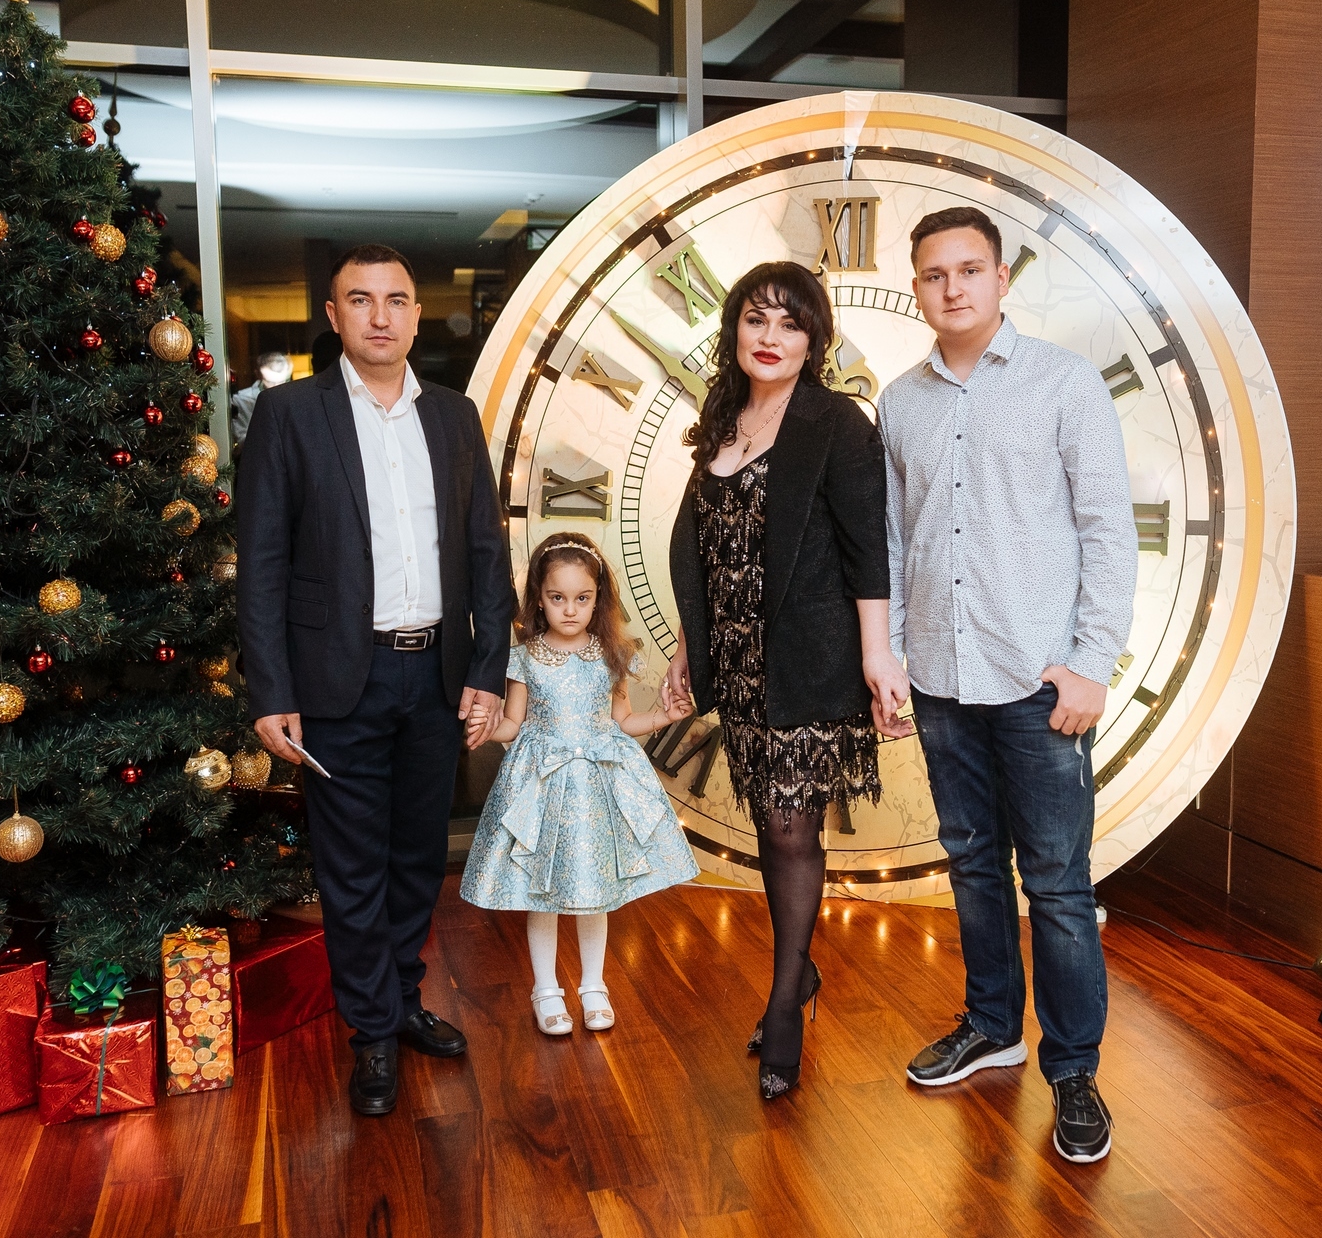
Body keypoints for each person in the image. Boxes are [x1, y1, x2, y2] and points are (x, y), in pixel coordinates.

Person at [880, 206, 1136, 1164]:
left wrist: (1092, 663)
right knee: (973, 866)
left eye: (969, 269)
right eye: (934, 273)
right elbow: (895, 542)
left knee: (1059, 886)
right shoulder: (900, 402)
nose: (952, 287)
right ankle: (993, 1027)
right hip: (941, 677)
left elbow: (1108, 528)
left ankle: (1074, 1071)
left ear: (1000, 279)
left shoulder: (1064, 383)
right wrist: (893, 657)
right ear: (917, 287)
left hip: (1038, 681)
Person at [237, 243, 515, 1118]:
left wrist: (487, 667)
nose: (381, 315)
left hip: (435, 676)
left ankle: (400, 1000)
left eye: (396, 299)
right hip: (335, 682)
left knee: (417, 858)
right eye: (361, 300)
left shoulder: (454, 416)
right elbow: (262, 563)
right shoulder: (290, 415)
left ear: (416, 316)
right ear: (334, 316)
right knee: (352, 868)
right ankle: (372, 1035)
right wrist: (271, 690)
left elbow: (485, 551)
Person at [659, 260, 911, 1101]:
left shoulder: (835, 423)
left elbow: (868, 551)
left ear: (814, 341)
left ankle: (783, 1001)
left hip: (810, 659)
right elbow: (705, 552)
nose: (770, 337)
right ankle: (797, 974)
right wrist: (690, 647)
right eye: (756, 319)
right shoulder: (722, 416)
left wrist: (878, 658)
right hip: (737, 664)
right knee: (772, 826)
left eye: (790, 324)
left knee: (792, 827)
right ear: (734, 329)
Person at [458, 532, 699, 1035]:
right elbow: (514, 724)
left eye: (582, 598)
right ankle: (546, 990)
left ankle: (594, 986)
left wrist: (663, 716)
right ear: (538, 600)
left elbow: (622, 720)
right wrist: (486, 725)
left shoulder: (612, 654)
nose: (570, 610)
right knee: (541, 890)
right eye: (557, 598)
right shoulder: (525, 657)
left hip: (596, 787)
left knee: (595, 888)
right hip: (543, 785)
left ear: (598, 599)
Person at [231, 351, 293, 450]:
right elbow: (241, 441)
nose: (276, 387)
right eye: (270, 382)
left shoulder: (293, 398)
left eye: (281, 381)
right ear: (258, 375)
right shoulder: (242, 400)